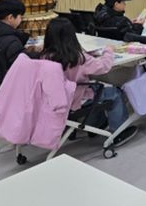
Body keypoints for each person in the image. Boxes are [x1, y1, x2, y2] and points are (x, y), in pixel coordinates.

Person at [40, 17, 137, 146]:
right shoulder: (78, 58)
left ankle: (95, 125)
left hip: (54, 99)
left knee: (97, 89)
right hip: (76, 98)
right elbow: (103, 66)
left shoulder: (44, 56)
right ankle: (118, 133)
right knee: (114, 93)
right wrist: (108, 51)